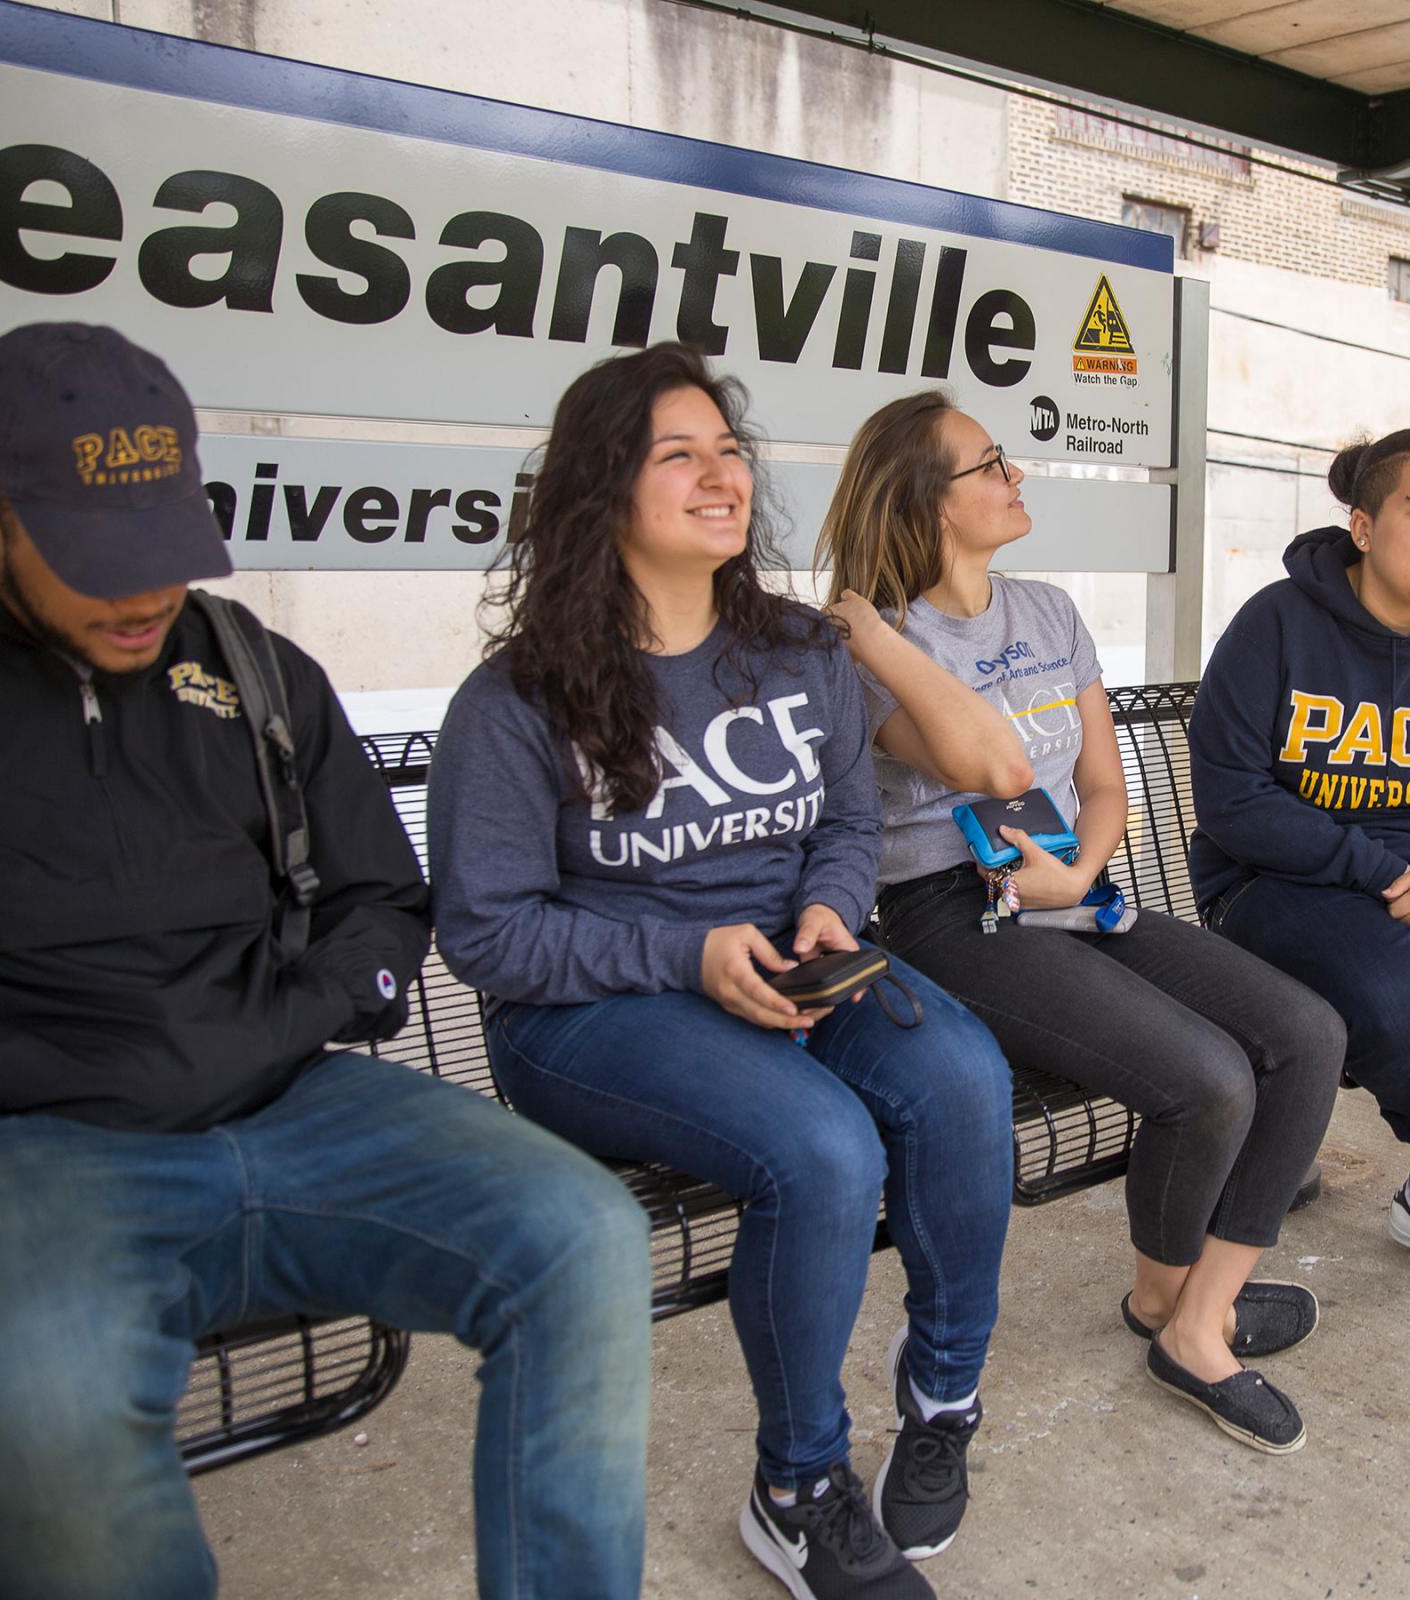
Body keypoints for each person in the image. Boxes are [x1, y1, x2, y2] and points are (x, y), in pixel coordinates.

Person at [0, 323, 652, 1600]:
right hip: (26, 1141)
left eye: (162, 546)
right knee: (35, 1404)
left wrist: (301, 1011)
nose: (143, 595)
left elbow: (382, 897)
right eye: (97, 557)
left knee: (581, 1237)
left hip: (295, 1096)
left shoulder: (247, 666)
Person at [429, 342, 1015, 1600]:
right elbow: (485, 932)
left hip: (791, 965)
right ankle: (797, 1488)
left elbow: (847, 824)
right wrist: (684, 953)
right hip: (598, 1009)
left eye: (730, 451)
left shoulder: (799, 649)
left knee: (963, 1075)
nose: (720, 476)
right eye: (678, 454)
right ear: (600, 490)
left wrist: (824, 904)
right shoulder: (520, 696)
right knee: (822, 1150)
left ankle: (943, 1394)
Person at [818, 390, 1345, 1457]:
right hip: (949, 909)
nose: (1016, 478)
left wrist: (1083, 870)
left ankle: (1194, 1312)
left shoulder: (1049, 611)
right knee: (1206, 1078)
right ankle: (1169, 1307)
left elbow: (1102, 783)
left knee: (1307, 1034)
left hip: (1071, 883)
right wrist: (873, 625)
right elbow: (988, 768)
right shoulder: (859, 646)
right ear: (925, 499)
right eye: (989, 465)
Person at [1188, 429, 1410, 1290]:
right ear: (1362, 526)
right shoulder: (1274, 626)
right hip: (1274, 885)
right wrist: (1389, 876)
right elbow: (1234, 801)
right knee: (1396, 999)